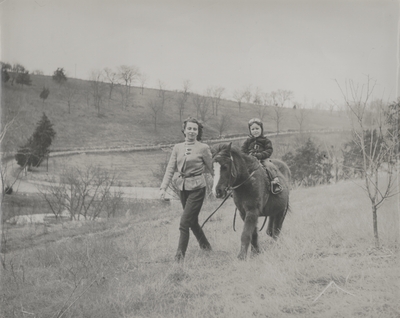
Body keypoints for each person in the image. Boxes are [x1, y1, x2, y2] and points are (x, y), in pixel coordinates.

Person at [160, 117, 214, 262]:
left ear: (198, 132)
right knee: (192, 221)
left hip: (197, 188)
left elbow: (212, 168)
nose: (191, 131)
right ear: (184, 130)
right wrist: (163, 187)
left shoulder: (203, 148)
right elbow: (170, 168)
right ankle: (206, 246)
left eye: (194, 129)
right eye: (189, 128)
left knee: (184, 221)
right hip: (182, 187)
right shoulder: (177, 147)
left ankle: (179, 257)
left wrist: (220, 186)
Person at [241, 118, 283, 194]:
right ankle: (237, 188)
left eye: (257, 128)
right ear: (250, 130)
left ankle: (275, 183)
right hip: (250, 160)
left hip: (263, 159)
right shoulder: (247, 141)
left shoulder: (265, 140)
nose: (255, 131)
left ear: (261, 129)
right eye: (253, 129)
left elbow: (269, 150)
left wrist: (260, 155)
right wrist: (247, 156)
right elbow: (242, 151)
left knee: (269, 165)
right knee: (240, 169)